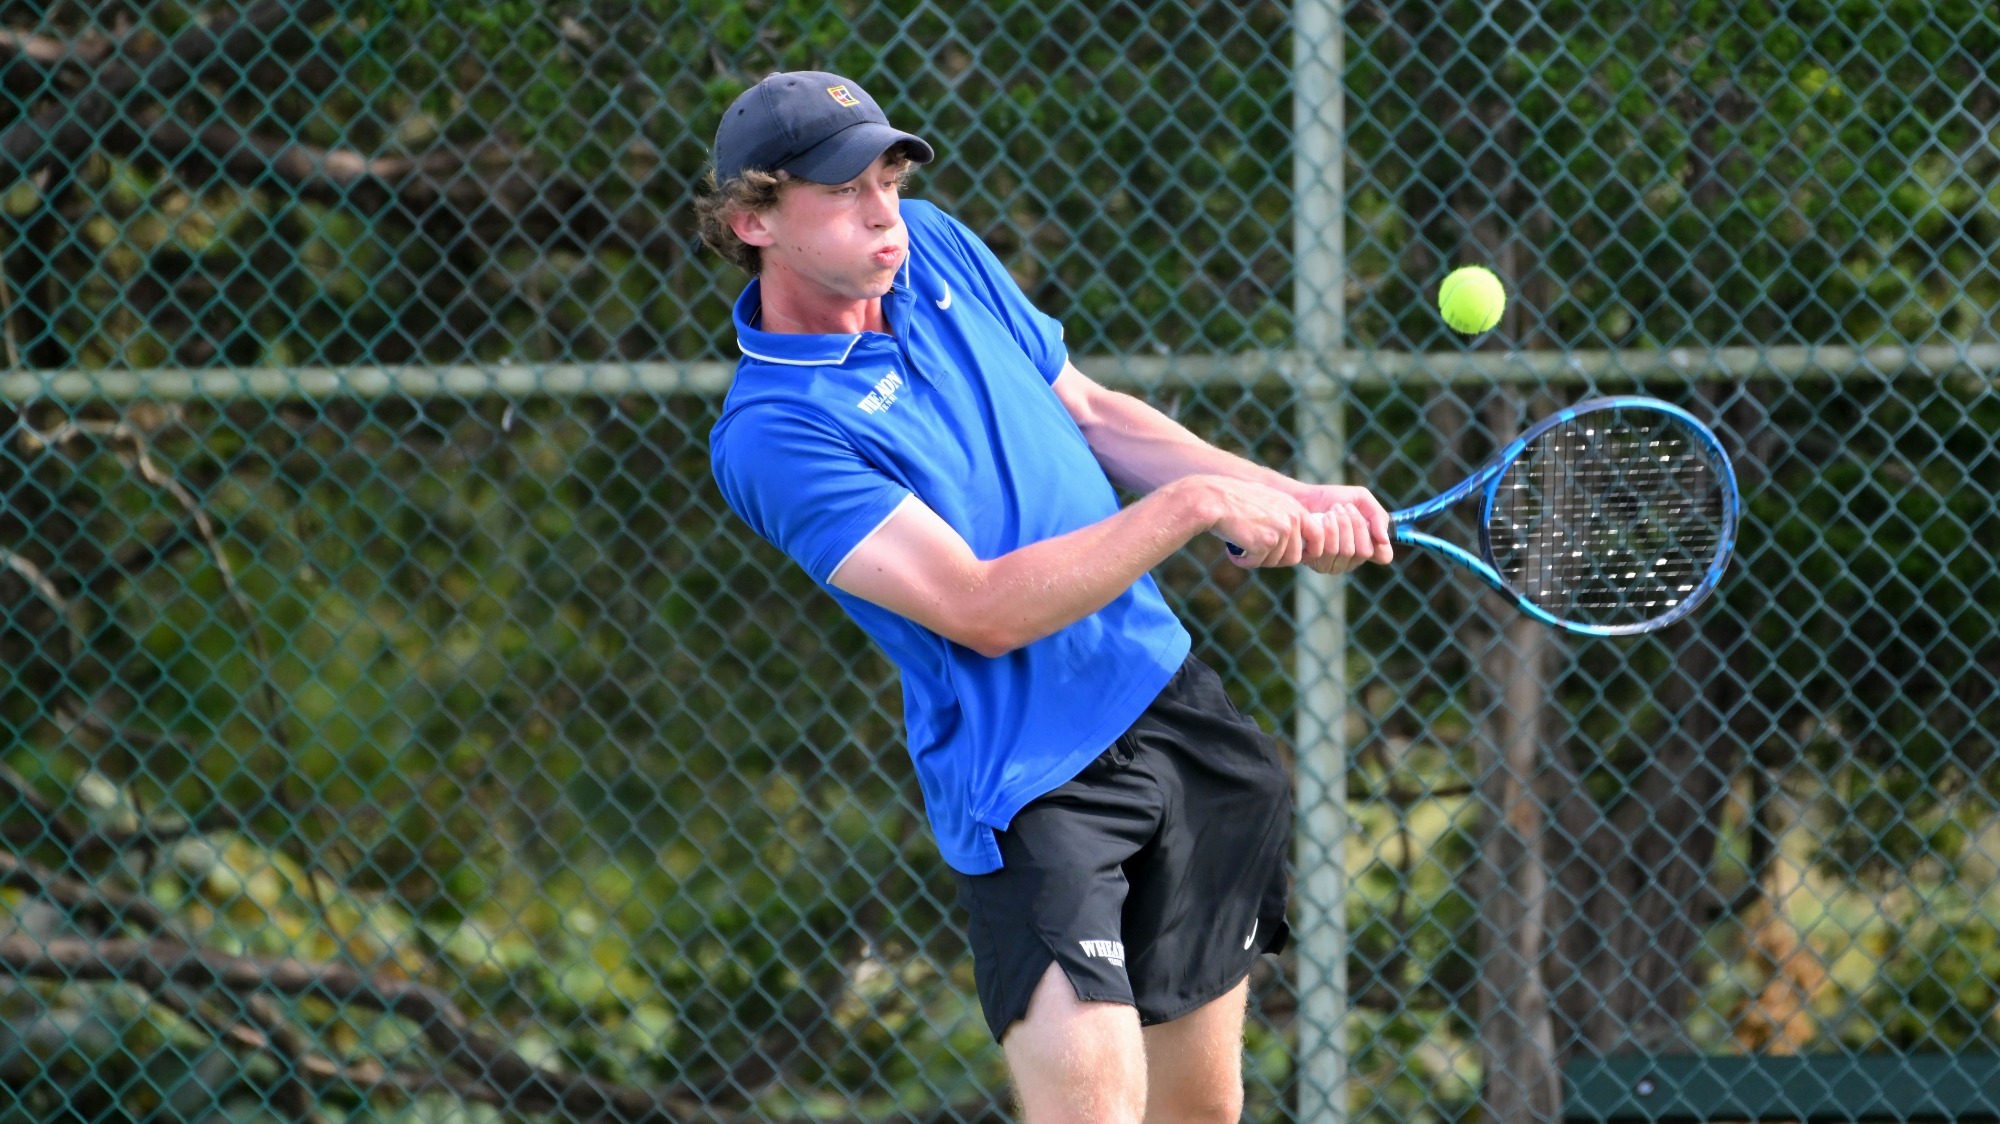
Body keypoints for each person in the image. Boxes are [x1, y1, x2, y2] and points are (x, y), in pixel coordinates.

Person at [697, 70, 1393, 1123]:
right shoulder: (774, 430)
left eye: (886, 174)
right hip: (1032, 782)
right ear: (752, 220)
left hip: (1173, 710)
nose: (881, 207)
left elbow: (1089, 409)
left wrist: (1287, 497)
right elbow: (979, 605)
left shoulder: (929, 247)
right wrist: (1200, 504)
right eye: (841, 191)